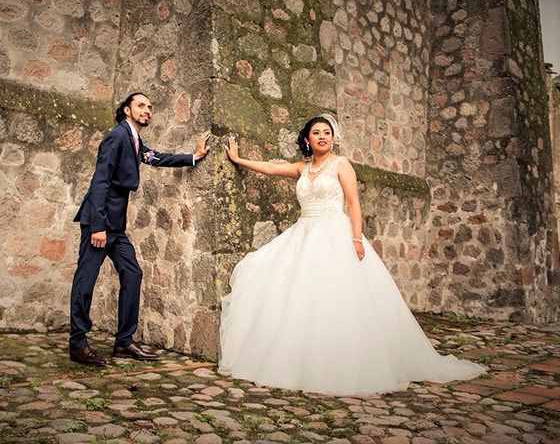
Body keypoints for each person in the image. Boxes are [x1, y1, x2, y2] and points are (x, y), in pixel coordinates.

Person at [219, 114, 486, 396]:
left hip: (335, 232)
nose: (322, 136)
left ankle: (342, 362)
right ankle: (301, 358)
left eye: (327, 132)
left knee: (335, 294)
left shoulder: (341, 164)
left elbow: (354, 202)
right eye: (316, 133)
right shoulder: (302, 168)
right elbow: (272, 169)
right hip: (304, 231)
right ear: (307, 139)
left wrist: (356, 238)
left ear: (332, 138)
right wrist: (239, 160)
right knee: (294, 292)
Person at [69, 92, 210, 366]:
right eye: (141, 105)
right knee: (85, 281)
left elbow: (155, 157)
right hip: (98, 223)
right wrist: (98, 227)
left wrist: (192, 157)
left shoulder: (134, 139)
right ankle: (77, 344)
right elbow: (100, 181)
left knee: (132, 274)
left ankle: (124, 342)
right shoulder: (116, 136)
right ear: (126, 110)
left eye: (149, 107)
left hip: (115, 226)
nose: (147, 110)